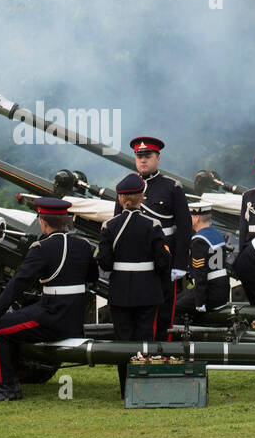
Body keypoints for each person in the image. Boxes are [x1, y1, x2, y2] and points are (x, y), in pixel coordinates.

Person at [0, 197, 98, 402]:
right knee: (16, 320)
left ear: (42, 221)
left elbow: (16, 286)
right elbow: (92, 278)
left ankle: (8, 388)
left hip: (53, 319)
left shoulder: (41, 249)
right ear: (66, 221)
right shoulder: (84, 246)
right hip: (74, 319)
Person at [114, 136, 192, 332]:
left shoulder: (172, 187)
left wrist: (180, 263)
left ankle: (161, 349)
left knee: (163, 307)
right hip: (133, 258)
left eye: (147, 156)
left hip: (163, 257)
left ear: (158, 158)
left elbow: (184, 228)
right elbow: (117, 225)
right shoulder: (125, 188)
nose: (142, 160)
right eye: (139, 156)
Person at [97, 173, 171, 340]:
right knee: (145, 339)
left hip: (120, 292)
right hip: (148, 291)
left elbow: (105, 262)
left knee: (123, 339)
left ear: (120, 199)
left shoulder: (109, 226)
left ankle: (124, 367)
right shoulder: (153, 225)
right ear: (142, 197)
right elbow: (163, 262)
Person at [175, 200, 230, 316]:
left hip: (209, 292)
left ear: (196, 218)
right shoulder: (217, 234)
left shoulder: (199, 240)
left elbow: (201, 274)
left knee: (172, 309)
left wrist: (200, 302)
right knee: (175, 299)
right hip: (222, 289)